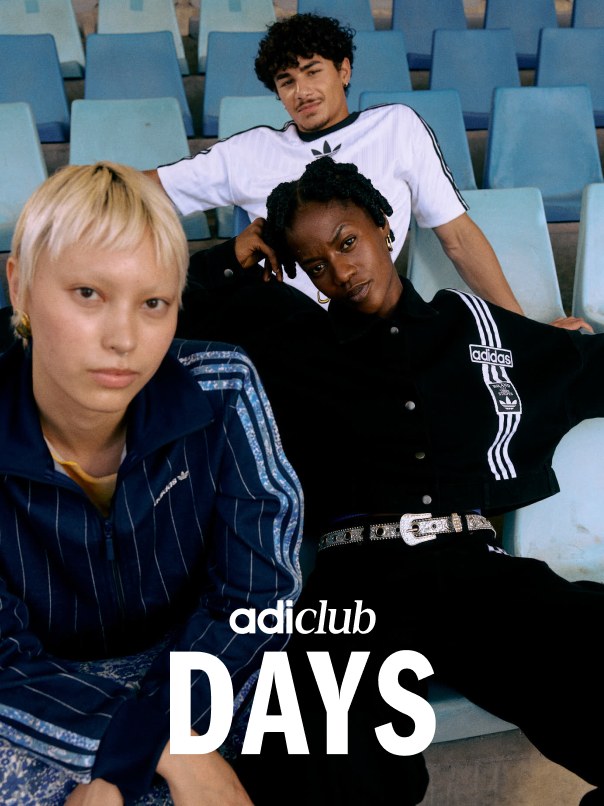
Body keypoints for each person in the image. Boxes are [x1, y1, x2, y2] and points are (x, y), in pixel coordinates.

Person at [174, 157, 604, 805]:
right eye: (316, 262)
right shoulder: (286, 335)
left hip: (470, 568)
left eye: (348, 243)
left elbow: (588, 368)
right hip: (354, 585)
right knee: (303, 753)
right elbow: (153, 311)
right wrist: (230, 261)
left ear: (384, 228)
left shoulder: (470, 329)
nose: (340, 271)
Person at [0, 162, 303, 805]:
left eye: (153, 304)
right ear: (20, 286)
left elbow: (258, 593)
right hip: (41, 692)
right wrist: (147, 749)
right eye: (88, 293)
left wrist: (153, 736)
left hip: (197, 666)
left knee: (339, 745)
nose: (124, 339)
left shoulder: (222, 386)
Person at [144, 12, 524, 315]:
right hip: (287, 330)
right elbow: (146, 190)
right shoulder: (250, 151)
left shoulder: (396, 127)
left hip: (373, 322)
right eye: (286, 81)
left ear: (343, 71)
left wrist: (525, 330)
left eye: (313, 71)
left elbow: (457, 237)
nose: (302, 91)